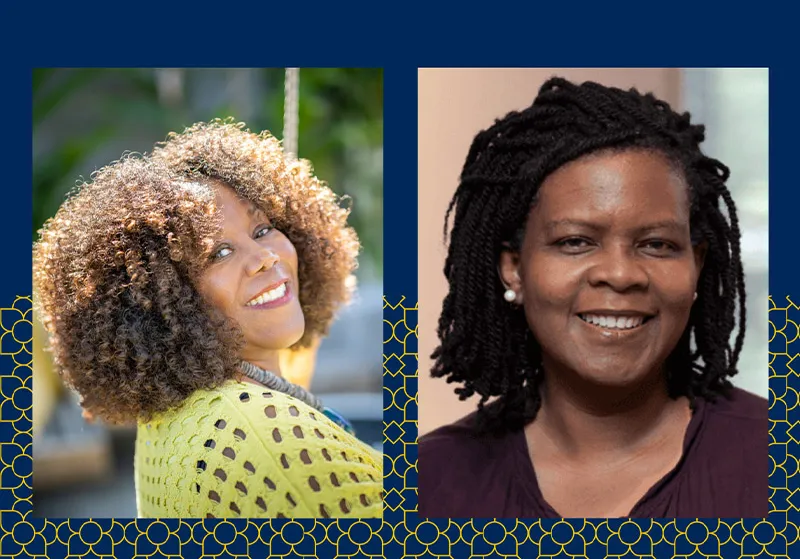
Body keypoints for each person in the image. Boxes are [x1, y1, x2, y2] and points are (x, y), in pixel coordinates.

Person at [418, 78, 767, 518]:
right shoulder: (428, 484)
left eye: (657, 244)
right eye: (575, 242)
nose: (620, 275)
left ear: (695, 264)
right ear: (514, 268)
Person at [33, 120, 382, 518]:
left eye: (263, 228)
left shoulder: (184, 411)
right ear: (162, 302)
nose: (264, 257)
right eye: (219, 253)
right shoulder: (270, 439)